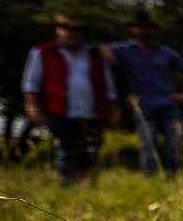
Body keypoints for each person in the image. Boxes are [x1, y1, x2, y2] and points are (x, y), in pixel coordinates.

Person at [21, 13, 119, 186]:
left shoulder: (95, 55)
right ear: (56, 30)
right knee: (66, 152)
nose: (71, 33)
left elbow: (109, 86)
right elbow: (31, 84)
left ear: (83, 33)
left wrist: (112, 111)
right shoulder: (43, 52)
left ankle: (87, 186)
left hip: (93, 112)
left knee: (91, 153)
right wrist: (32, 108)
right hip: (59, 112)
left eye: (76, 30)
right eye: (66, 29)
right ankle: (68, 186)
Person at [108, 10, 183, 176]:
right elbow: (97, 51)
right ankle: (151, 177)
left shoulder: (167, 53)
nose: (143, 31)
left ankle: (171, 177)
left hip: (169, 105)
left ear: (152, 29)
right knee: (148, 144)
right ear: (132, 29)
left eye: (146, 27)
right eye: (139, 27)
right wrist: (101, 51)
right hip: (143, 105)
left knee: (174, 144)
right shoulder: (123, 50)